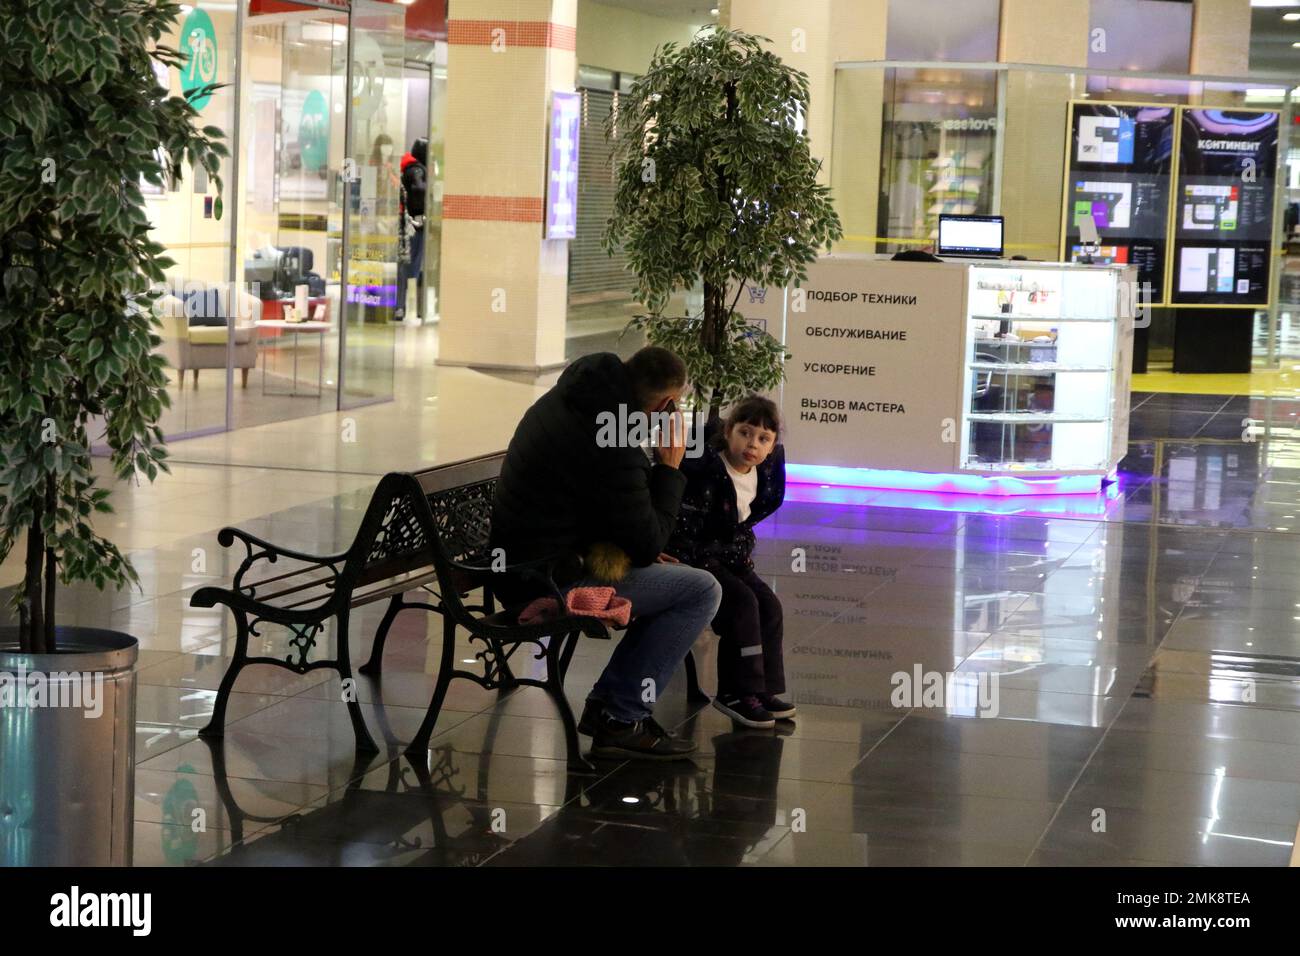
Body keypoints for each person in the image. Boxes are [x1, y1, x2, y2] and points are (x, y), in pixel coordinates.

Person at [490, 347, 723, 759]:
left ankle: (613, 706)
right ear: (666, 404)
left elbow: (604, 512)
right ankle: (619, 716)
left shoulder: (575, 397)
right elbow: (649, 541)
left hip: (524, 562)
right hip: (545, 581)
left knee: (676, 579)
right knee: (701, 590)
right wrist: (670, 466)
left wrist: (638, 549)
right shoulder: (615, 444)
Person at [666, 396, 792, 729]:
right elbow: (689, 521)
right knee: (742, 605)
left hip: (731, 558)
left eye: (763, 439)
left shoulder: (763, 477)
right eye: (745, 433)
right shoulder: (708, 470)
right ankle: (737, 692)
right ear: (729, 432)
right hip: (697, 558)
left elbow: (744, 521)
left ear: (772, 446)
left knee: (770, 605)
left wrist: (740, 548)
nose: (752, 444)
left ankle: (762, 688)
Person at [396, 137, 428, 322]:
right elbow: (420, 190)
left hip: (406, 224)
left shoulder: (407, 167)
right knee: (415, 264)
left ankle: (402, 308)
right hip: (415, 225)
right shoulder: (417, 170)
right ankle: (417, 309)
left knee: (406, 264)